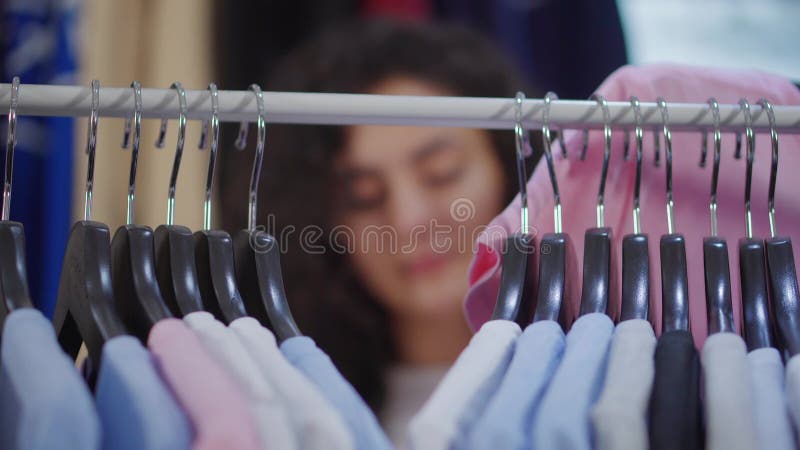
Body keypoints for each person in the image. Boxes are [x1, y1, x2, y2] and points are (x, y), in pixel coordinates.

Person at [218, 19, 541, 445]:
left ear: (510, 168)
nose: (408, 221)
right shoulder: (284, 418)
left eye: (441, 174)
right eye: (363, 197)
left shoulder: (603, 385)